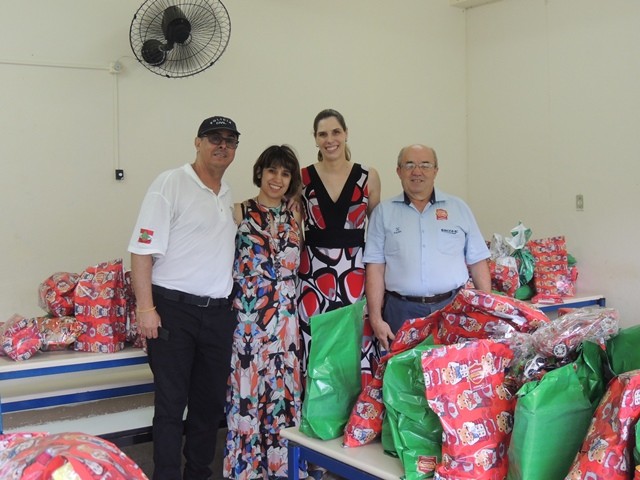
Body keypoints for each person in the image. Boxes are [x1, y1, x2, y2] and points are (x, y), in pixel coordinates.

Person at [128, 116, 241, 480]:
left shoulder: (227, 193)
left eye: (230, 140)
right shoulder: (170, 183)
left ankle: (198, 474)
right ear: (197, 142)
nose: (222, 145)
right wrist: (145, 308)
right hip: (173, 312)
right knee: (171, 405)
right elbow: (141, 251)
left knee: (208, 407)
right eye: (214, 138)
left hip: (218, 315)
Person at [223, 145, 304, 480]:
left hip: (285, 320)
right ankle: (247, 469)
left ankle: (283, 468)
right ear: (260, 172)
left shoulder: (297, 215)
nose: (277, 179)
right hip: (249, 320)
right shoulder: (238, 211)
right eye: (272, 170)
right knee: (248, 391)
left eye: (285, 173)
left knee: (282, 393)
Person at [363, 144, 491, 352]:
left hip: (453, 308)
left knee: (451, 369)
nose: (417, 171)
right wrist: (376, 318)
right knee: (403, 370)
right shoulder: (383, 213)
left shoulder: (458, 208)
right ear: (399, 171)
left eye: (425, 165)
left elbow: (477, 262)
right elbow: (375, 268)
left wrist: (486, 309)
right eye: (409, 165)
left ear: (435, 171)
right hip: (401, 312)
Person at [297, 108, 382, 386]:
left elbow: (377, 235)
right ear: (315, 138)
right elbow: (295, 232)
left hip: (355, 275)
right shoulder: (302, 178)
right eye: (323, 134)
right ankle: (316, 408)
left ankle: (355, 410)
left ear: (346, 133)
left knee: (353, 346)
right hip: (312, 277)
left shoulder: (368, 176)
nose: (330, 139)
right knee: (316, 347)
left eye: (335, 132)